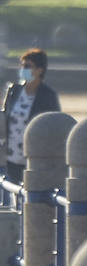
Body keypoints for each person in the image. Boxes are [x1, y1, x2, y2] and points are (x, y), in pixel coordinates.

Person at [3, 48, 60, 184]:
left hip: (34, 159)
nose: (23, 70)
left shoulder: (48, 95)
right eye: (22, 66)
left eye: (27, 66)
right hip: (11, 157)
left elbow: (54, 125)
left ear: (40, 70)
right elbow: (5, 117)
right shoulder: (14, 91)